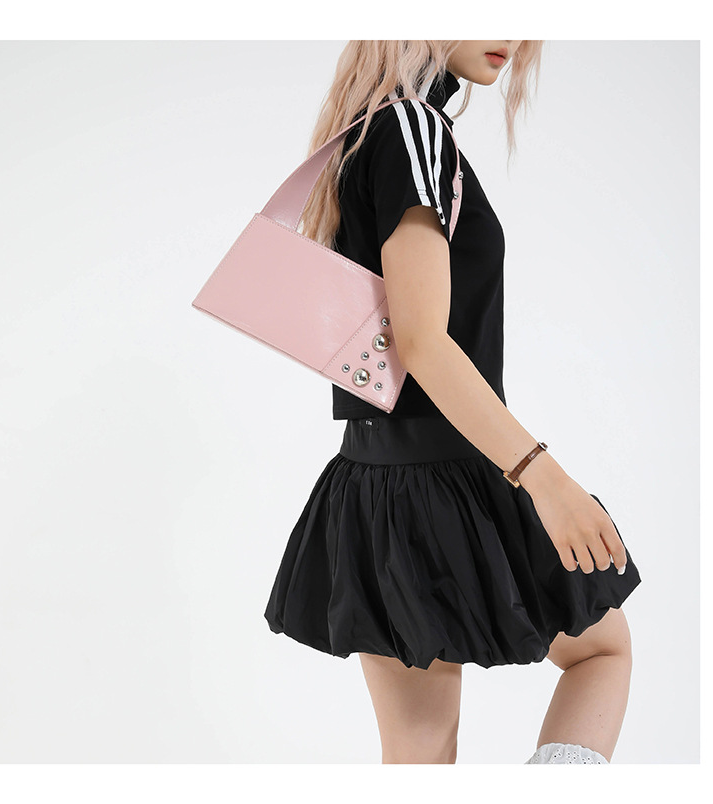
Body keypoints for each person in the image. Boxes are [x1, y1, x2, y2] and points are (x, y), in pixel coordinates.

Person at [263, 40, 642, 765]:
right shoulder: (413, 128)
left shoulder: (367, 128)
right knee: (603, 652)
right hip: (455, 472)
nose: (516, 34)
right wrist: (545, 478)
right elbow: (423, 342)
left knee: (420, 749)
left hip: (375, 485)